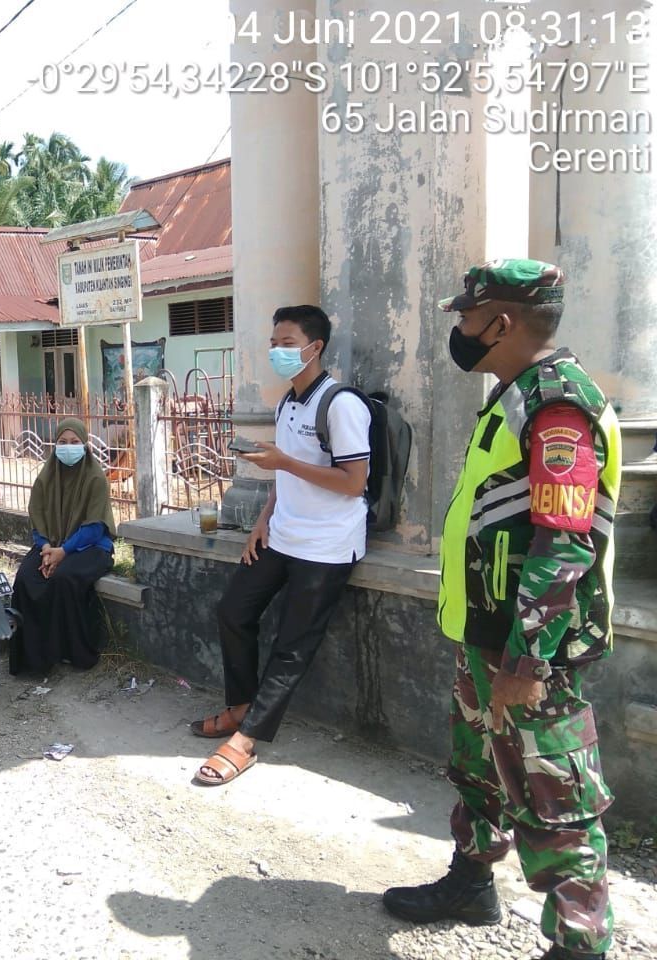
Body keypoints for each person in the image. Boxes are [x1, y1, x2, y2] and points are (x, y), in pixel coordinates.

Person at [382, 261, 621, 960]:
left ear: (502, 324)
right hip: (487, 635)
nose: (458, 329)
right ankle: (471, 883)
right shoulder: (515, 395)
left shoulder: (557, 408)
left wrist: (527, 658)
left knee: (557, 803)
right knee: (481, 771)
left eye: (465, 317)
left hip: (528, 650)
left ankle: (581, 946)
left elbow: (565, 543)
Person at [190, 305, 371, 787]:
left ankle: (247, 740)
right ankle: (241, 706)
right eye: (274, 342)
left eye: (287, 343)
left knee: (292, 646)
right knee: (234, 610)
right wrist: (261, 522)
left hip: (328, 545)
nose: (277, 350)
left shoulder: (341, 404)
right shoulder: (288, 403)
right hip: (284, 534)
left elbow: (354, 482)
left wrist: (284, 463)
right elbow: (281, 475)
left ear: (314, 347)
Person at [9, 418, 116, 675]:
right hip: (52, 544)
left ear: (85, 445)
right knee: (25, 579)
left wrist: (63, 553)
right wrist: (46, 548)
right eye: (63, 443)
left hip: (91, 547)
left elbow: (94, 527)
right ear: (55, 446)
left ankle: (76, 653)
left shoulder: (95, 478)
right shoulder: (46, 478)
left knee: (64, 579)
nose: (69, 447)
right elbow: (38, 517)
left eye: (75, 442)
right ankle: (33, 660)